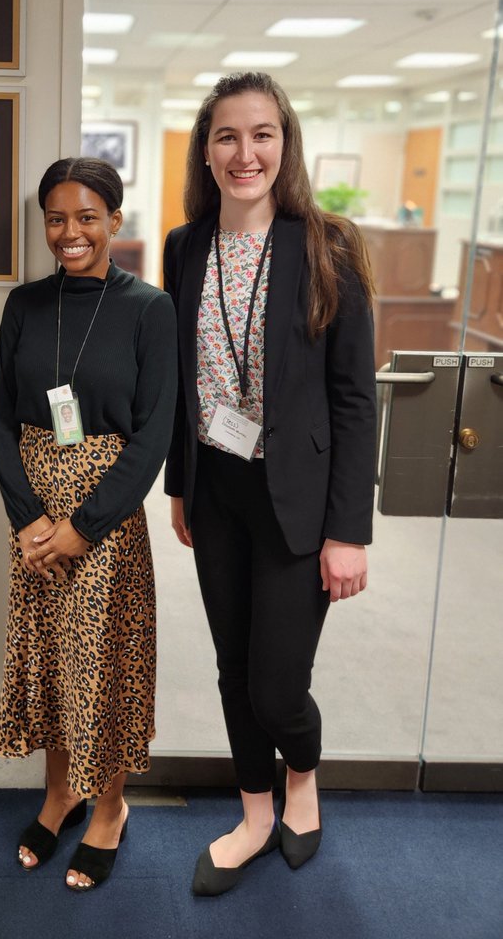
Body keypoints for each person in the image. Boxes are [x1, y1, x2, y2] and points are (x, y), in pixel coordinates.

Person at [163, 72, 376, 896]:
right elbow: (187, 386)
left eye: (261, 134)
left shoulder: (329, 244)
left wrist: (349, 530)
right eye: (227, 135)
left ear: (284, 144)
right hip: (217, 490)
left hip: (300, 496)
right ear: (206, 151)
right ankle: (254, 812)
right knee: (229, 663)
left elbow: (356, 400)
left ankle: (302, 779)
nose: (244, 152)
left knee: (278, 682)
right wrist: (181, 485)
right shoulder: (186, 248)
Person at [0, 157, 177, 892]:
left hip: (109, 519)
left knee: (108, 664)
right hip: (33, 519)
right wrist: (30, 520)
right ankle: (60, 792)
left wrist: (82, 526)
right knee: (53, 665)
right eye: (57, 218)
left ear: (114, 221)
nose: (71, 232)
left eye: (87, 217)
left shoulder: (147, 308)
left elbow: (154, 434)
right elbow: (1, 421)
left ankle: (111, 807)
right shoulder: (25, 304)